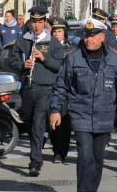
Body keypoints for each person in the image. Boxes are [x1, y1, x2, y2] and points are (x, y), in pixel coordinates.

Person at [49, 18, 117, 192]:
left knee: (97, 159)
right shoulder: (73, 57)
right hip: (80, 113)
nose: (88, 39)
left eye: (93, 36)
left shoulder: (113, 57)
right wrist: (55, 110)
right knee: (85, 156)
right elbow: (61, 85)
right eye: (86, 35)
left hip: (104, 114)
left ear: (102, 37)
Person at [8, 6, 64, 177]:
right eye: (34, 22)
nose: (37, 25)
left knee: (37, 124)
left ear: (45, 22)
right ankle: (36, 149)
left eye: (40, 22)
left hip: (44, 89)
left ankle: (35, 162)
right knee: (28, 120)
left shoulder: (52, 42)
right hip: (27, 88)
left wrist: (44, 58)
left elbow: (59, 66)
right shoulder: (23, 40)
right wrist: (22, 65)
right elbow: (11, 61)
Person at [48, 17, 73, 163]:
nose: (57, 34)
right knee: (50, 122)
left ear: (64, 33)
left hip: (65, 89)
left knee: (64, 122)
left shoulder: (70, 48)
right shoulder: (47, 47)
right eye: (54, 31)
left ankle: (60, 152)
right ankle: (55, 147)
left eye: (59, 31)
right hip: (50, 87)